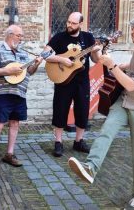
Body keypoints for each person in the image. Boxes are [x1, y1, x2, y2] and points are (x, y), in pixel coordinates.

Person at [68, 13, 134, 210]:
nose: (132, 31)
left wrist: (112, 66)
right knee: (106, 130)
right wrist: (115, 63)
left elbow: (132, 84)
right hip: (125, 102)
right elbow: (131, 69)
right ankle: (90, 167)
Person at [44, 12, 102, 157]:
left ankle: (79, 141)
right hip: (63, 80)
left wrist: (97, 50)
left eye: (73, 23)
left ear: (80, 24)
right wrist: (62, 60)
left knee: (82, 110)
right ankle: (58, 142)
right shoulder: (59, 37)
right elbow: (45, 55)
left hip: (82, 81)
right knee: (60, 109)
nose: (69, 25)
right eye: (68, 22)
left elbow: (95, 60)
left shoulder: (88, 38)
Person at [0, 24, 43, 173]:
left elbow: (29, 72)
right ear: (10, 35)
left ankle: (9, 154)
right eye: (19, 35)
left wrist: (36, 64)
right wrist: (7, 70)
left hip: (19, 93)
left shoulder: (23, 53)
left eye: (21, 36)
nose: (21, 38)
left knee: (15, 123)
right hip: (2, 93)